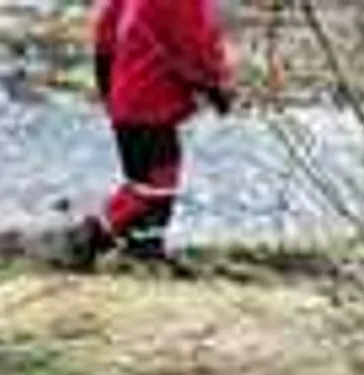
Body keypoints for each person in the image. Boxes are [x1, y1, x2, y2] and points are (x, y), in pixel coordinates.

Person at [65, 0, 238, 273]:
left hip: (126, 98)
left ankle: (144, 247)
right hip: (150, 104)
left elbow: (105, 31)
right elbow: (198, 43)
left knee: (147, 180)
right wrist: (216, 86)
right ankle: (95, 235)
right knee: (155, 186)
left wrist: (105, 80)